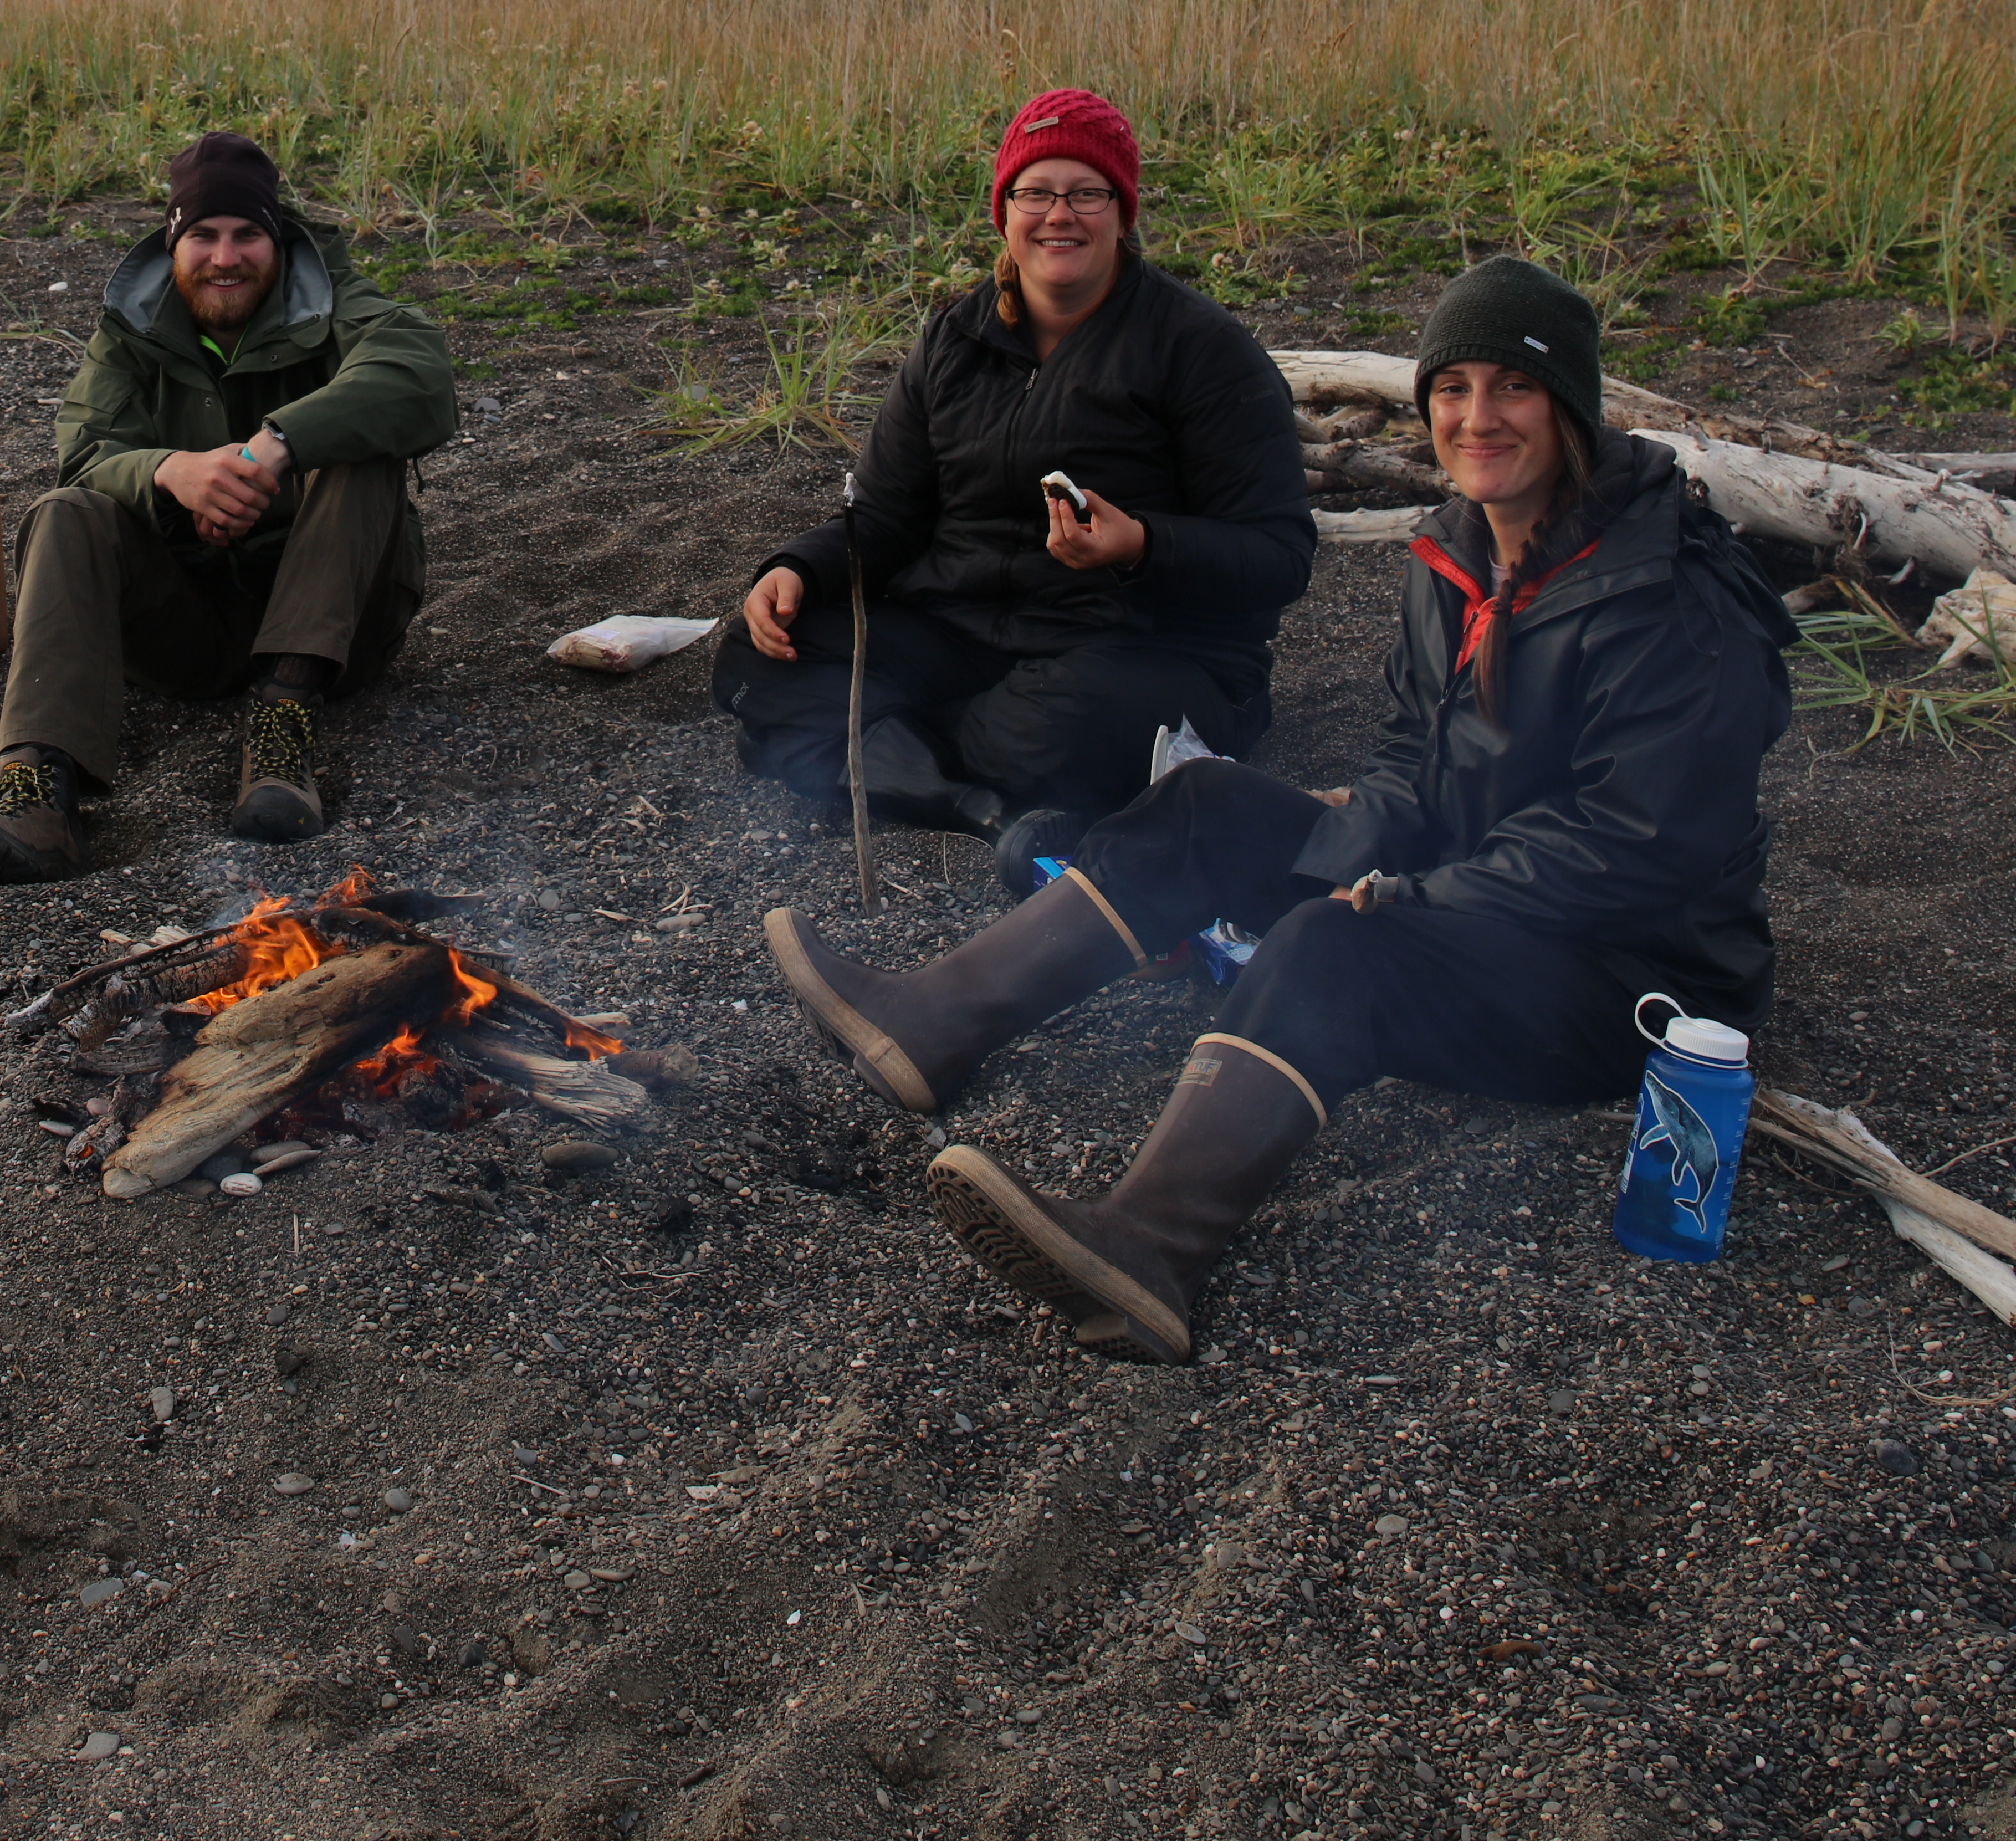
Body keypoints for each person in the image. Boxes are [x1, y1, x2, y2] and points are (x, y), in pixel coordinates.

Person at [760, 255, 1797, 1361]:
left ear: (1572, 406)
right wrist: (1372, 834)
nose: (1477, 417)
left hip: (1629, 980)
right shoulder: (1459, 550)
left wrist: (1406, 892)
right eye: (1453, 388)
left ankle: (1151, 1247)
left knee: (1334, 945)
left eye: (1515, 388)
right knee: (1206, 805)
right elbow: (1415, 752)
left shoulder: (1667, 593)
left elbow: (1639, 846)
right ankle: (935, 1022)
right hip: (1478, 889)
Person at [713, 86, 1316, 831]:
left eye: (1087, 193)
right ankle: (962, 792)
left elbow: (1279, 556)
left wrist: (1140, 545)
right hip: (961, 634)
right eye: (1036, 193)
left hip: (1136, 650)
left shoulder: (1203, 351)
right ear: (1004, 213)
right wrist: (796, 568)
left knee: (1067, 726)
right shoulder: (955, 340)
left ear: (1124, 213)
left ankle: (875, 756)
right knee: (761, 647)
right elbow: (887, 516)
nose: (1059, 215)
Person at [0, 130, 458, 886]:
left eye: (248, 235)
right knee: (64, 510)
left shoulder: (333, 298)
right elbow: (85, 454)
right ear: (173, 243)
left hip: (338, 626)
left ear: (276, 242)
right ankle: (37, 794)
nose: (225, 258)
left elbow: (421, 374)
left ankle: (282, 728)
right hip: (190, 629)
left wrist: (269, 451)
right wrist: (174, 474)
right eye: (203, 236)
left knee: (364, 444)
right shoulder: (132, 329)